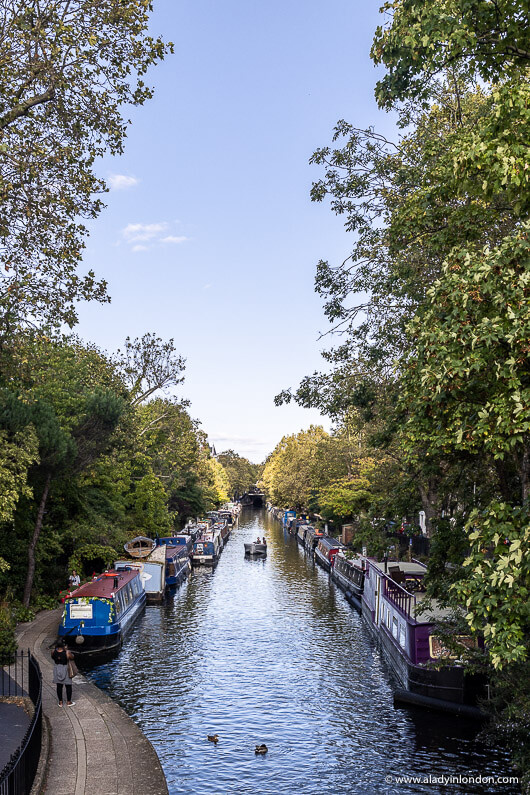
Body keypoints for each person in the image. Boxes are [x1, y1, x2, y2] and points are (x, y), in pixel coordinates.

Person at [51, 642, 75, 707]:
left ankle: (60, 702)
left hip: (57, 668)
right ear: (64, 646)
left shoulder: (53, 651)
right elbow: (72, 657)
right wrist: (67, 650)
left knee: (59, 686)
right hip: (65, 669)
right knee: (68, 686)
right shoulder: (67, 653)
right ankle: (69, 702)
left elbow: (53, 657)